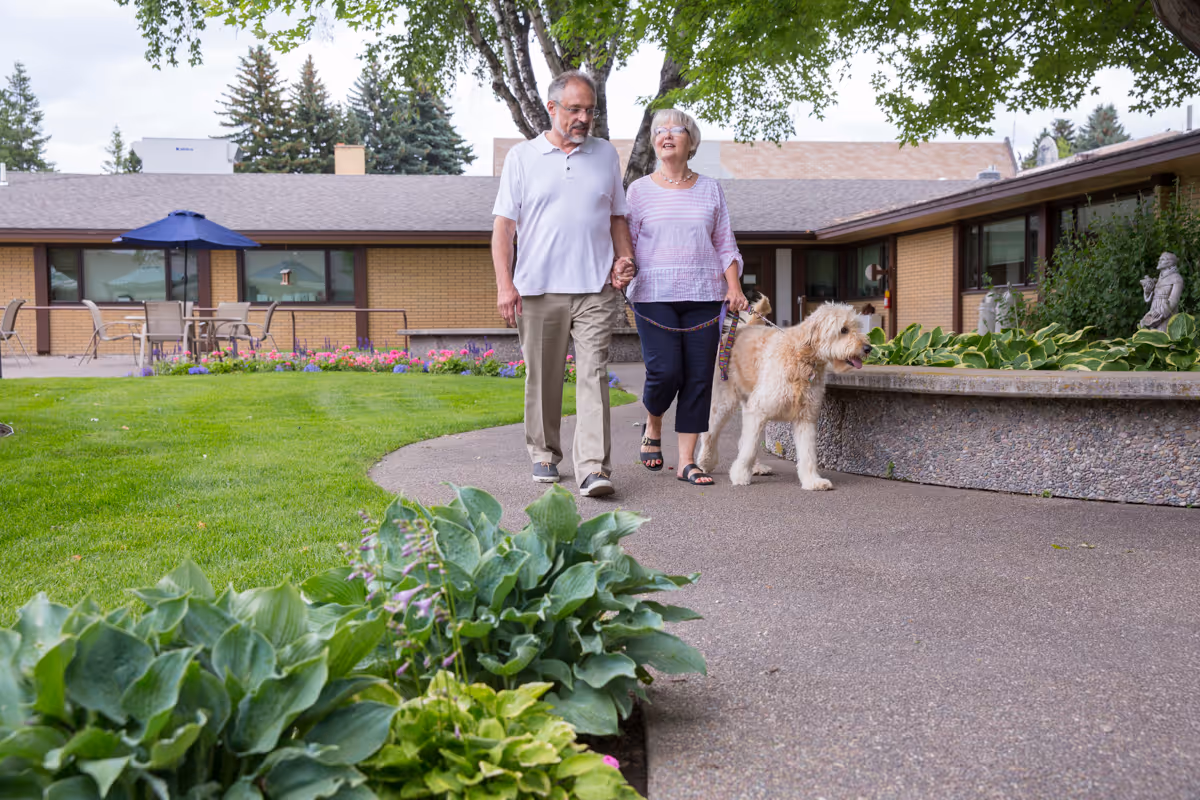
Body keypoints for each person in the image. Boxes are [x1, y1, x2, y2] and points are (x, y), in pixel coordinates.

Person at [492, 70, 636, 498]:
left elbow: (616, 218)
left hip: (594, 287)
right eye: (574, 109)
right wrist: (505, 285)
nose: (583, 117)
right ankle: (544, 453)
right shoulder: (522, 157)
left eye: (589, 110)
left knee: (593, 373)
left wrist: (624, 258)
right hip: (537, 288)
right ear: (552, 108)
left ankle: (593, 468)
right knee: (544, 377)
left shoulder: (606, 155)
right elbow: (503, 229)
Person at [625, 108, 747, 486]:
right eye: (659, 130)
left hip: (704, 295)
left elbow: (723, 241)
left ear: (690, 141)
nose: (666, 135)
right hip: (652, 294)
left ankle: (686, 461)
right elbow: (625, 243)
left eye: (676, 130)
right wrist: (621, 268)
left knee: (697, 378)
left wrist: (734, 287)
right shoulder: (639, 190)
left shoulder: (710, 188)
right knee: (664, 372)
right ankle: (654, 423)